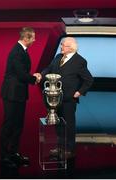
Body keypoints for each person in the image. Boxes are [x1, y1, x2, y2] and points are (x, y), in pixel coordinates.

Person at [41, 37, 93, 167]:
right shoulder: (59, 56)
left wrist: (79, 92)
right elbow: (49, 68)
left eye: (63, 45)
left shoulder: (80, 61)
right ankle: (60, 148)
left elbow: (89, 79)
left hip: (69, 99)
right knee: (58, 124)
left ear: (70, 47)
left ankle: (69, 150)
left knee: (68, 125)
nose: (61, 47)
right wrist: (41, 75)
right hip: (56, 97)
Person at [0, 27, 41, 168]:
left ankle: (13, 153)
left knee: (18, 125)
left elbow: (22, 73)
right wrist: (34, 79)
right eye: (33, 38)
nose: (35, 40)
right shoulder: (17, 52)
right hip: (12, 94)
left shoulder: (21, 50)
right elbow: (21, 74)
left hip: (19, 93)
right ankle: (4, 156)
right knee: (9, 125)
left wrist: (32, 77)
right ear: (26, 39)